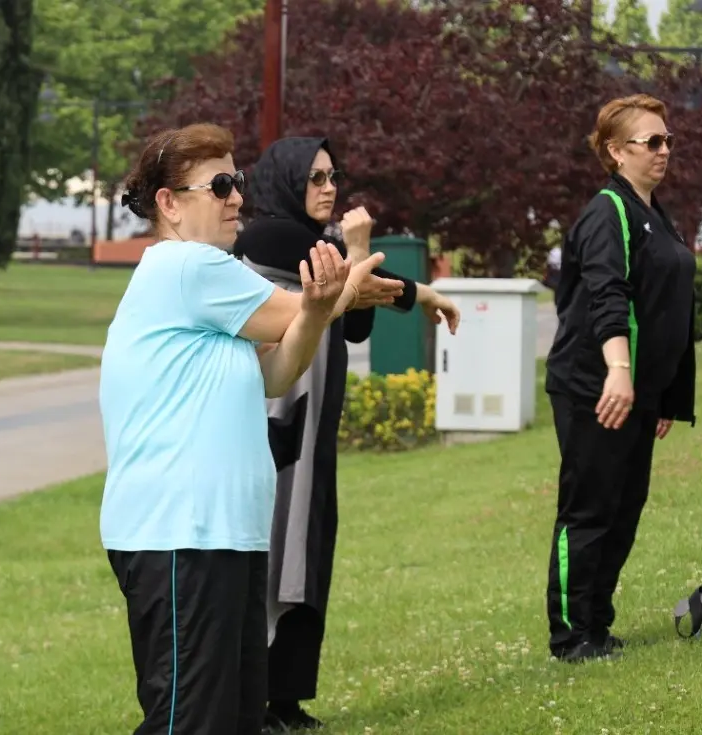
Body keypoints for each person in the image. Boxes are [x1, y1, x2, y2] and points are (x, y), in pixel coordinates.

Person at [99, 122, 402, 735]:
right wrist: (351, 275)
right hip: (179, 533)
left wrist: (320, 307)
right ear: (170, 203)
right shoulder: (187, 267)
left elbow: (279, 368)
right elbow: (305, 305)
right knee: (188, 721)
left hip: (223, 535)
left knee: (234, 718)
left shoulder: (211, 282)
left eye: (235, 181)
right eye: (219, 185)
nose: (237, 196)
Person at [233, 136, 460, 731]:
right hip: (273, 432)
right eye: (315, 178)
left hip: (312, 437)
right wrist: (368, 253)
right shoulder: (266, 239)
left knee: (307, 549)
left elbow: (355, 323)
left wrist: (406, 288)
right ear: (285, 181)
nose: (329, 188)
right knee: (273, 550)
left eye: (334, 176)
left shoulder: (322, 249)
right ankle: (252, 701)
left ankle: (286, 700)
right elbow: (351, 280)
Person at [544, 93, 696, 663]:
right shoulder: (607, 212)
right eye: (650, 141)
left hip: (637, 390)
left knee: (625, 506)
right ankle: (569, 635)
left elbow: (668, 307)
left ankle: (597, 626)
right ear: (615, 151)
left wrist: (663, 396)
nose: (663, 151)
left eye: (667, 140)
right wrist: (618, 372)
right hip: (596, 385)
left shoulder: (654, 213)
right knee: (588, 507)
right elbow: (610, 297)